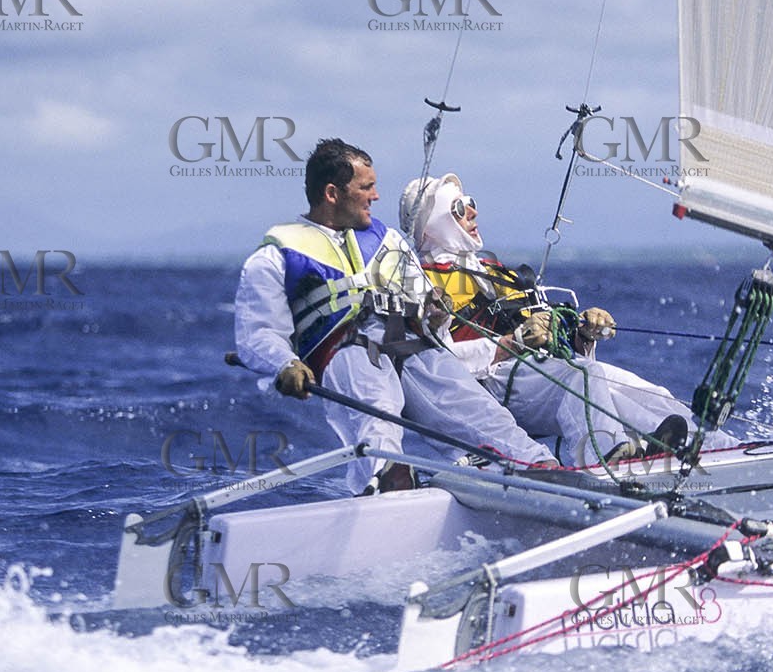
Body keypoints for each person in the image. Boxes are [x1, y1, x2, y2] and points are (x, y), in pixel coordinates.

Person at [234, 140, 557, 495]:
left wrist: (436, 315)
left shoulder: (388, 239)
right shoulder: (278, 253)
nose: (376, 196)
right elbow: (257, 332)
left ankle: (536, 466)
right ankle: (384, 479)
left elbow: (432, 316)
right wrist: (285, 364)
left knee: (469, 402)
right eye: (366, 187)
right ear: (332, 193)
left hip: (410, 342)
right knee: (377, 403)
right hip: (346, 350)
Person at [401, 173, 721, 466]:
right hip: (496, 381)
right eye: (459, 208)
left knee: (637, 389)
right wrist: (512, 342)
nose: (473, 212)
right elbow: (435, 368)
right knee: (583, 376)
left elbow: (545, 333)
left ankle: (713, 447)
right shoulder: (424, 286)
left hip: (539, 369)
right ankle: (604, 458)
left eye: (470, 203)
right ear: (432, 226)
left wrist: (582, 335)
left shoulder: (492, 271)